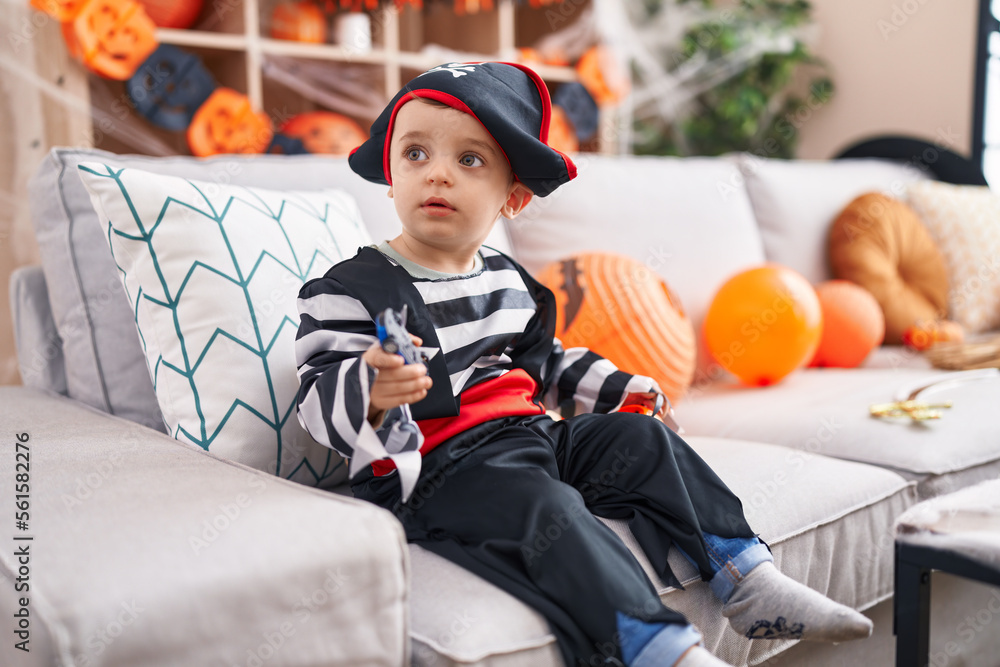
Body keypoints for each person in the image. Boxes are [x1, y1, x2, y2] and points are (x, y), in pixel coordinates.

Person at [294, 61, 872, 667]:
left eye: (469, 161)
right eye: (415, 153)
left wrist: (623, 390)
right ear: (389, 175)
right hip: (441, 466)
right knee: (552, 509)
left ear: (512, 199)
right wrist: (372, 386)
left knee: (642, 440)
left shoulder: (508, 281)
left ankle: (748, 578)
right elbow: (315, 400)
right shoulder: (350, 289)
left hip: (530, 433)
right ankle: (656, 647)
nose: (437, 172)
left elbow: (548, 366)